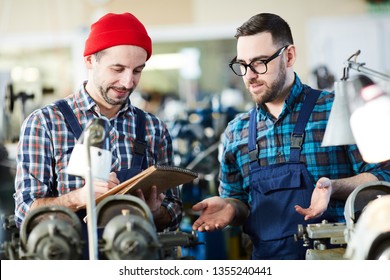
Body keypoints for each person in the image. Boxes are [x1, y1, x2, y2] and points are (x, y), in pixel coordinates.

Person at [191, 13, 390, 260]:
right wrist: (231, 207)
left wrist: (335, 187)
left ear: (289, 56)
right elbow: (239, 200)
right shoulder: (236, 132)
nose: (249, 75)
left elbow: (384, 177)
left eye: (260, 62)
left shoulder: (338, 111)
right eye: (242, 64)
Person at [14, 13, 182, 238]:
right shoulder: (44, 124)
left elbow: (175, 211)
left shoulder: (153, 128)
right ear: (90, 61)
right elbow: (25, 213)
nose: (128, 82)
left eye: (137, 70)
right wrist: (77, 198)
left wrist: (153, 212)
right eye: (117, 69)